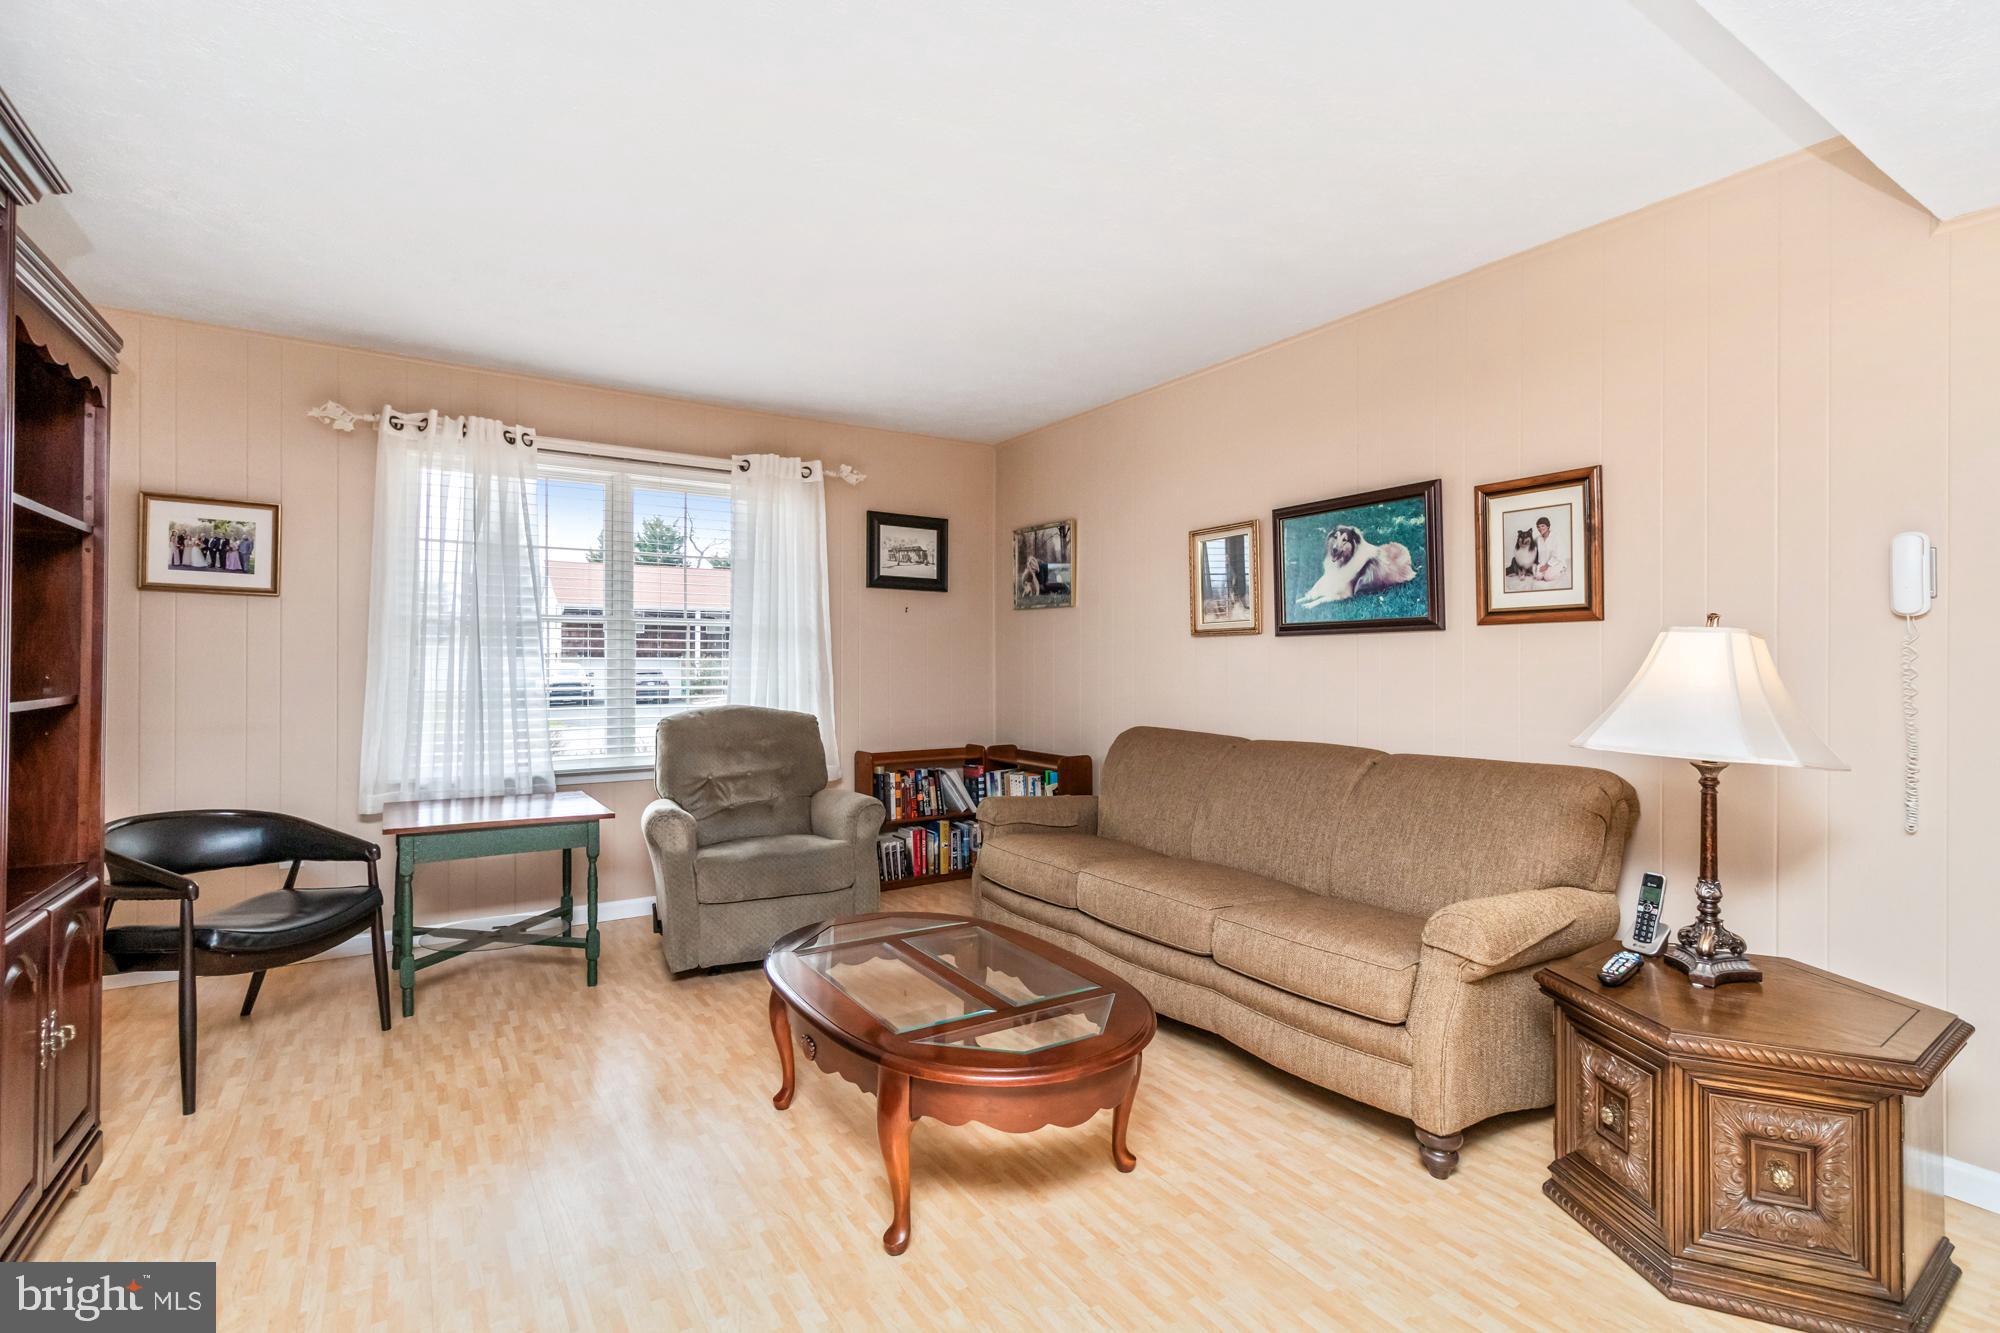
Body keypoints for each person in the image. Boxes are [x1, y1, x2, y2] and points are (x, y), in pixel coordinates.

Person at [1533, 515, 1570, 586]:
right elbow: (1540, 555)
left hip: (1556, 562)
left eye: (1542, 526)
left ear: (1548, 526)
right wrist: (1541, 566)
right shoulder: (1538, 539)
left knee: (1548, 577)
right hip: (1544, 563)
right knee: (1538, 576)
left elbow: (1557, 555)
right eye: (1538, 527)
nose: (1540, 528)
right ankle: (1546, 572)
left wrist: (1546, 566)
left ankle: (1562, 569)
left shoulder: (1556, 537)